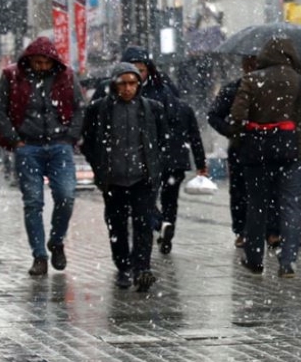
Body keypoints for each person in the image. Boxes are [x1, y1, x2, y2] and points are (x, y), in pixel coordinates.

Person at [230, 37, 301, 278]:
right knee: (292, 206)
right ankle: (288, 262)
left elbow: (237, 118)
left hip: (257, 153)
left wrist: (244, 142)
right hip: (295, 152)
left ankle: (254, 259)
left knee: (257, 206)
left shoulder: (250, 81)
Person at [0, 36, 85, 276]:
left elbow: (79, 109)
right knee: (33, 203)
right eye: (37, 62)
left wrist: (70, 137)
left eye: (46, 62)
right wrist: (15, 139)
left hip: (59, 145)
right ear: (29, 60)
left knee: (66, 196)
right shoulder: (13, 76)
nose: (42, 66)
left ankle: (56, 240)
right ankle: (39, 256)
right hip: (28, 147)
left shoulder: (66, 77)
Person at [81, 62, 167, 292]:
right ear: (114, 84)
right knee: (117, 225)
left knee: (143, 223)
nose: (128, 88)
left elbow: (162, 141)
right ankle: (123, 267)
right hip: (113, 179)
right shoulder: (99, 109)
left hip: (142, 178)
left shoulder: (152, 109)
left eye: (132, 83)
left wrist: (154, 167)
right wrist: (100, 168)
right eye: (123, 83)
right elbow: (88, 142)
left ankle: (142, 268)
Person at [208, 56, 281, 248]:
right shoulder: (233, 89)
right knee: (240, 190)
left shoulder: (273, 89)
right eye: (249, 64)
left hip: (269, 145)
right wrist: (232, 131)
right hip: (242, 147)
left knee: (272, 189)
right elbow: (214, 116)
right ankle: (242, 231)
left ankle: (272, 230)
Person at [155, 98, 207, 254]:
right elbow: (195, 137)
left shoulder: (149, 105)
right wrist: (201, 163)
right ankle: (167, 230)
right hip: (177, 162)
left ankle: (161, 224)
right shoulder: (184, 108)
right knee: (170, 200)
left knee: (145, 199)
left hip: (153, 161)